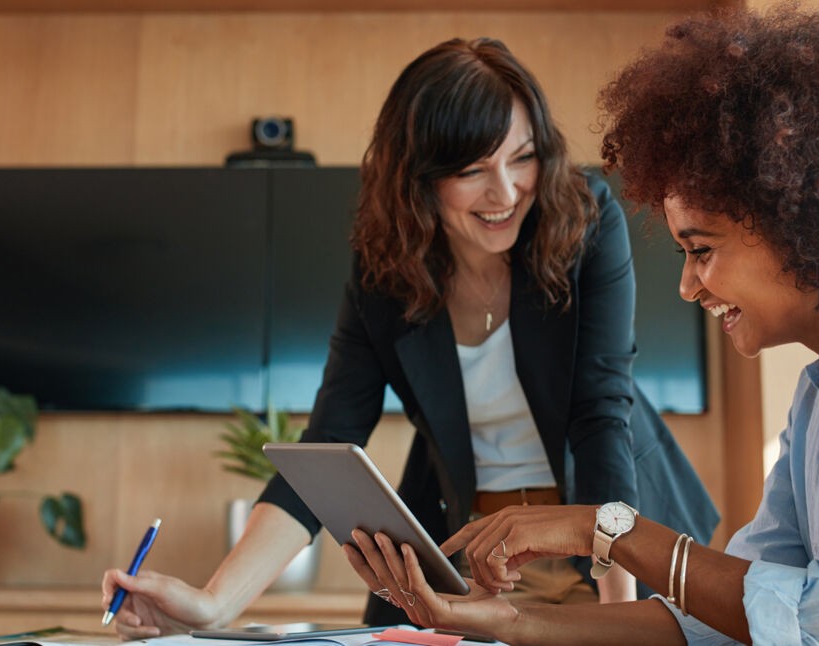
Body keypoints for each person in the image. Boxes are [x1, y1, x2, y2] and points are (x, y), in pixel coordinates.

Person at [345, 5, 819, 644]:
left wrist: (605, 529)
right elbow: (730, 619)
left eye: (701, 250)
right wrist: (506, 622)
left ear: (797, 219)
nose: (688, 286)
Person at [101, 37, 718, 637]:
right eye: (473, 170)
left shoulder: (584, 219)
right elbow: (329, 444)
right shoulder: (386, 271)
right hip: (474, 559)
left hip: (608, 544)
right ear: (419, 178)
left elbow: (599, 412)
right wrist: (212, 605)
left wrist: (619, 616)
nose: (505, 192)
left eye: (522, 157)